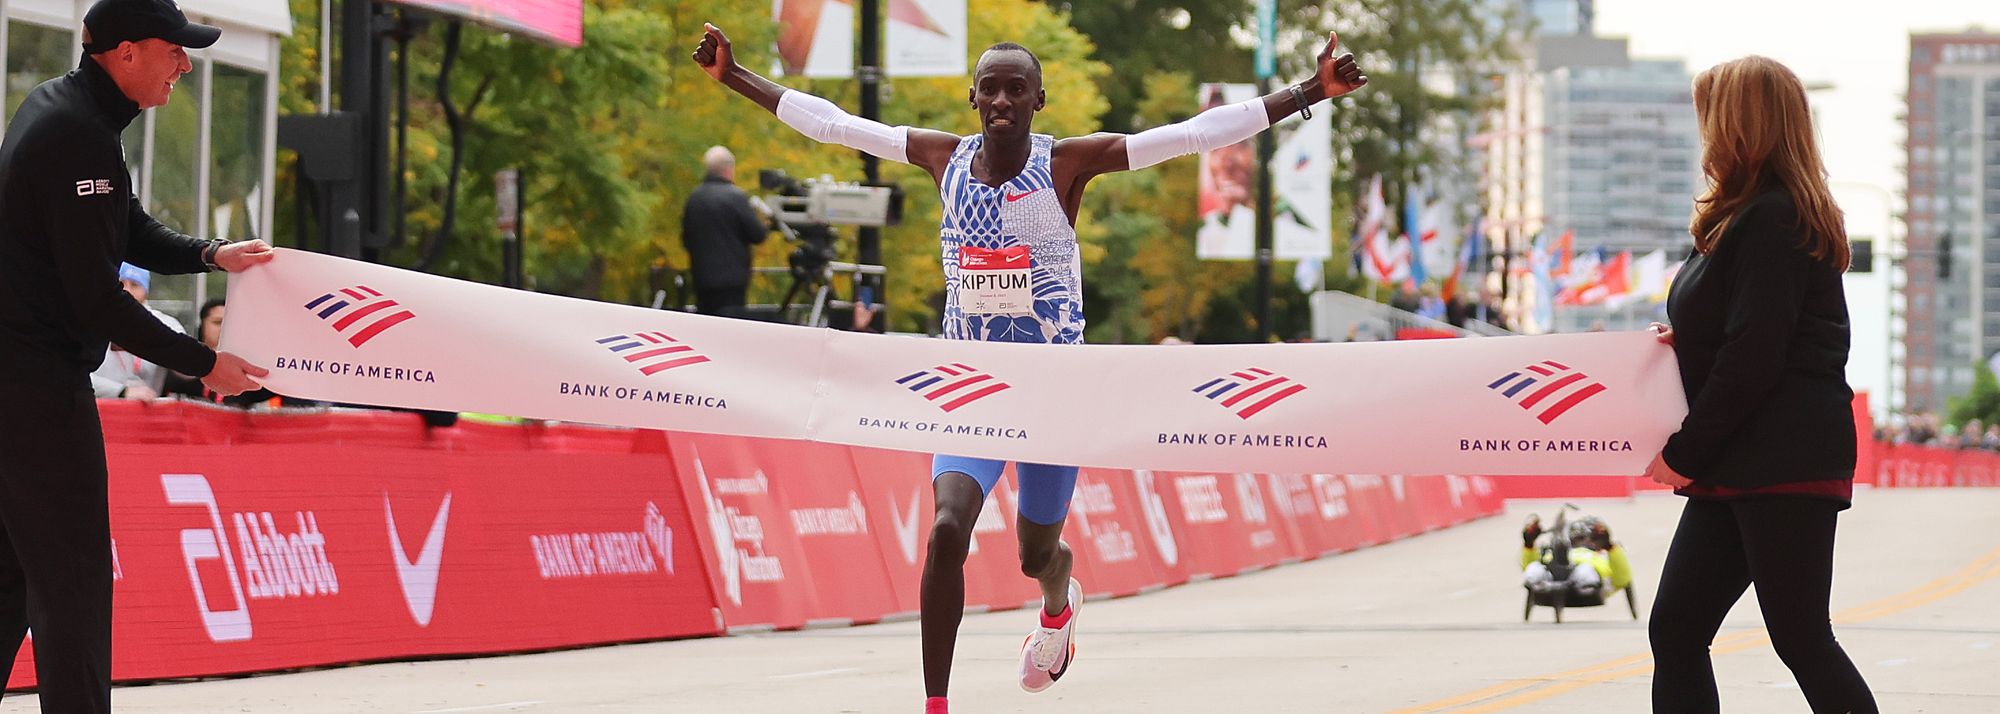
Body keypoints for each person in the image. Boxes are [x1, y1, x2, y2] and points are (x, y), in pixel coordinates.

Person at [693, 23, 1366, 714]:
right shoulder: (942, 158)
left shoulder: (1067, 164)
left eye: (1018, 89)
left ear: (1039, 100)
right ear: (974, 99)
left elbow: (1193, 134)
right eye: (991, 88)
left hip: (1049, 397)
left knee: (1034, 554)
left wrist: (1312, 90)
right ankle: (935, 704)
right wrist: (736, 75)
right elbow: (834, 125)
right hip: (971, 389)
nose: (1003, 100)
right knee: (947, 528)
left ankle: (1057, 601)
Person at [0, 0, 272, 709]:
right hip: (32, 386)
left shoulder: (65, 112)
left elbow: (124, 227)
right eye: (175, 50)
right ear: (125, 52)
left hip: (15, 381)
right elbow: (98, 300)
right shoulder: (77, 133)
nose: (185, 64)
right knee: (73, 585)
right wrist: (204, 362)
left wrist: (212, 254)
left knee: (10, 577)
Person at [1642, 55, 1876, 714]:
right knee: (1678, 628)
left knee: (1800, 636)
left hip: (1780, 455)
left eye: (1710, 117)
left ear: (1739, 125)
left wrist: (1683, 451)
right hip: (1742, 458)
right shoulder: (1743, 217)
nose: (1704, 133)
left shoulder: (1772, 218)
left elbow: (1757, 353)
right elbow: (1739, 332)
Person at [680, 145, 769, 317]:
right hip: (732, 281)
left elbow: (686, 239)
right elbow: (757, 235)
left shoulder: (694, 199)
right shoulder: (736, 197)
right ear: (729, 169)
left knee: (706, 324)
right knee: (730, 325)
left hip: (702, 277)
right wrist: (766, 223)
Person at [87, 264, 184, 400]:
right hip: (100, 410)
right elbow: (74, 374)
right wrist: (121, 391)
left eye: (135, 285)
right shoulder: (88, 322)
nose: (126, 290)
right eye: (120, 284)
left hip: (146, 414)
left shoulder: (165, 323)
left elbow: (188, 371)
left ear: (146, 291)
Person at [1519, 513, 1631, 599]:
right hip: (1552, 575)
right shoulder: (1557, 551)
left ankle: (1584, 584)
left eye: (1590, 538)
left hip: (1587, 581)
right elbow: (1528, 566)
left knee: (1585, 571)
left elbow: (1622, 580)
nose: (1584, 541)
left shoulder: (1605, 554)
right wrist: (1529, 544)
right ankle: (1539, 583)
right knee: (1534, 569)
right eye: (1579, 538)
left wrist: (1609, 547)